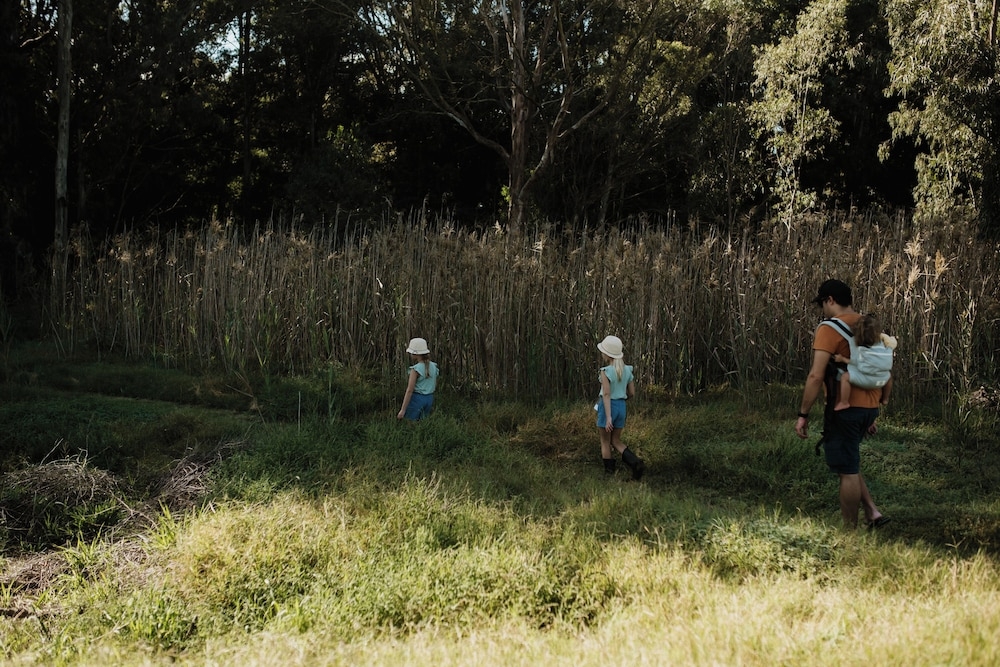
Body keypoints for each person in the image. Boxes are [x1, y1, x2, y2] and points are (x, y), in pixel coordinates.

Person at [795, 280, 891, 530]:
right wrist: (872, 414)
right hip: (869, 407)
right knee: (850, 462)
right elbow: (876, 366)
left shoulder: (829, 328)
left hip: (844, 408)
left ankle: (850, 533)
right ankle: (872, 511)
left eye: (822, 304)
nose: (823, 311)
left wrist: (803, 414)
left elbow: (815, 376)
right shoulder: (867, 324)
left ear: (830, 300)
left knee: (846, 471)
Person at [595, 335, 645, 480]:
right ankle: (635, 463)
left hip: (608, 407)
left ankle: (609, 474)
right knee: (615, 440)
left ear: (607, 354)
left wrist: (608, 417)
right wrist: (621, 401)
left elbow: (606, 394)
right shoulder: (627, 370)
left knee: (605, 441)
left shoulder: (605, 371)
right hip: (621, 406)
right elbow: (632, 393)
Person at [832, 313, 896, 411]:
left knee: (845, 377)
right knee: (889, 377)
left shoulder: (858, 346)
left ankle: (844, 402)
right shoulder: (883, 344)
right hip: (881, 380)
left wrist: (842, 359)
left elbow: (855, 362)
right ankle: (885, 399)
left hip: (865, 380)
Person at [397, 337, 439, 421]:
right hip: (429, 398)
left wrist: (403, 410)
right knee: (423, 422)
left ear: (415, 354)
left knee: (410, 422)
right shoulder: (434, 366)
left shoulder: (415, 369)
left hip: (417, 399)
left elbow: (410, 390)